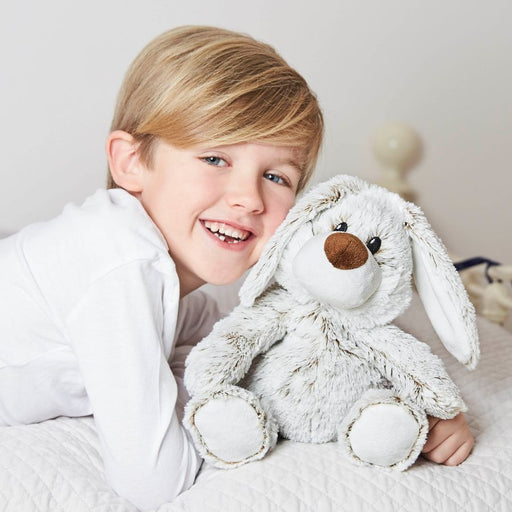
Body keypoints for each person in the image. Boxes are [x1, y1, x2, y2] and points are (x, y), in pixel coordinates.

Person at [0, 25, 472, 510]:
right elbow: (151, 480)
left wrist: (418, 406)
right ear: (132, 161)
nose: (249, 198)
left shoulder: (153, 271)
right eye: (215, 157)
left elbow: (237, 336)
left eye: (276, 176)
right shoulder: (118, 265)